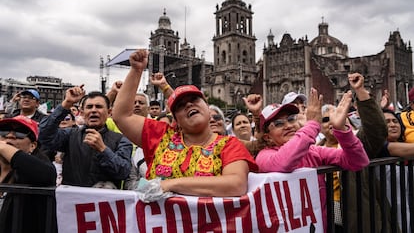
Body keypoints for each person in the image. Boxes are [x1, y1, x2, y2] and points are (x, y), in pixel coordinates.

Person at [112, 49, 257, 199]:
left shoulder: (230, 145)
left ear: (208, 108)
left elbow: (235, 185)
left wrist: (170, 185)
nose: (188, 105)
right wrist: (136, 70)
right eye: (180, 106)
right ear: (176, 120)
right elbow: (122, 116)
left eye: (194, 100)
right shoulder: (162, 137)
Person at [255, 88, 369, 231]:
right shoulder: (264, 156)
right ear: (267, 137)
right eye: (278, 124)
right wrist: (313, 124)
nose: (289, 126)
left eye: (291, 119)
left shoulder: (313, 151)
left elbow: (358, 161)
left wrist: (342, 130)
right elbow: (283, 162)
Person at [38, 87, 132, 188]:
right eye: (89, 107)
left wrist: (103, 150)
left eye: (99, 107)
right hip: (73, 200)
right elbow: (45, 136)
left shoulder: (121, 140)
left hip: (105, 202)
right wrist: (67, 103)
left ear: (109, 113)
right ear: (82, 113)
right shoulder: (70, 135)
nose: (94, 110)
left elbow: (124, 172)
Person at [0, 115, 57, 233]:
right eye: (4, 131)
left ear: (32, 146)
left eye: (20, 133)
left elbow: (46, 174)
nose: (10, 135)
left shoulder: (38, 169)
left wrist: (3, 147)